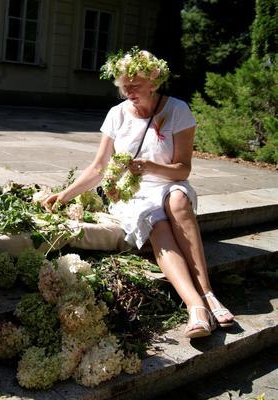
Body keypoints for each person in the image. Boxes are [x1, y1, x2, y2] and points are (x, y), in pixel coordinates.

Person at [43, 47, 234, 339]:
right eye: (124, 85)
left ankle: (208, 293)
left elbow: (183, 170)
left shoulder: (177, 110)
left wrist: (150, 166)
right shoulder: (116, 115)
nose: (128, 91)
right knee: (156, 220)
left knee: (178, 199)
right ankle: (195, 306)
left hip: (169, 181)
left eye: (135, 84)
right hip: (132, 195)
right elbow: (98, 167)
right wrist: (64, 195)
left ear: (153, 79)